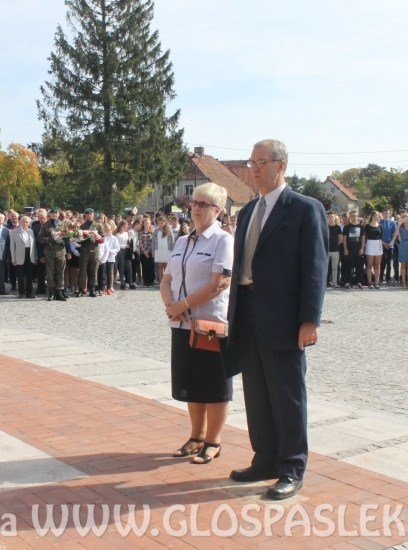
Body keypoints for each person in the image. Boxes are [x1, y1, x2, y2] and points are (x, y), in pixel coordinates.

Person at [227, 139, 328, 501]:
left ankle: (291, 467)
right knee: (256, 392)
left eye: (261, 162)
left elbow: (315, 268)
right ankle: (265, 458)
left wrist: (310, 320)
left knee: (287, 394)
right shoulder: (249, 210)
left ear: (281, 165)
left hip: (284, 317)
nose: (254, 169)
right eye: (251, 162)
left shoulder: (304, 208)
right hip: (248, 311)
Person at [160, 182, 233, 466]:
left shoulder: (223, 240)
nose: (197, 209)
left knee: (214, 383)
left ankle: (214, 441)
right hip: (181, 325)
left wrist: (183, 305)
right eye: (194, 203)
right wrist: (170, 305)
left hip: (209, 325)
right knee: (191, 382)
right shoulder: (182, 241)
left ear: (219, 210)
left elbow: (220, 283)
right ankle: (196, 437)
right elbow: (167, 279)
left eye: (204, 204)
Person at [37, 207, 69, 302]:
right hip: (50, 252)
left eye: (56, 213)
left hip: (60, 251)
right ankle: (51, 292)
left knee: (60, 272)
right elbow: (39, 238)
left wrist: (66, 238)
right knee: (50, 273)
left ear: (58, 214)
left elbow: (67, 237)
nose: (54, 215)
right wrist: (48, 240)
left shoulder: (63, 224)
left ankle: (59, 292)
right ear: (49, 214)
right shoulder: (46, 225)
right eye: (52, 213)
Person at [9, 215, 37, 298]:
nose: (25, 223)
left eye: (27, 222)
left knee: (30, 275)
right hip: (19, 255)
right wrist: (13, 259)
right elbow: (12, 247)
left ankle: (30, 292)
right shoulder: (14, 232)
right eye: (23, 222)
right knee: (20, 275)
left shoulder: (31, 231)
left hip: (30, 254)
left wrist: (35, 257)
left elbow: (34, 245)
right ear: (20, 222)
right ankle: (21, 292)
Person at [76, 208, 102, 297]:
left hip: (94, 250)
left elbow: (102, 238)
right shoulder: (82, 226)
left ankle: (92, 289)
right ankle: (80, 289)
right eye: (88, 214)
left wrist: (97, 238)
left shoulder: (98, 225)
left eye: (91, 214)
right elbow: (78, 240)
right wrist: (83, 238)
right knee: (82, 270)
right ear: (85, 215)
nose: (90, 215)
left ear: (93, 215)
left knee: (93, 270)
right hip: (84, 250)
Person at [393, 215, 408, 289]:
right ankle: (404, 282)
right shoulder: (401, 227)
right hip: (403, 244)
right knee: (403, 265)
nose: (406, 219)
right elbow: (395, 234)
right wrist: (399, 225)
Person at [362, 211, 383, 289]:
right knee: (369, 264)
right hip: (370, 244)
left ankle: (376, 282)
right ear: (373, 216)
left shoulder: (380, 226)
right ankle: (370, 282)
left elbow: (381, 236)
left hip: (378, 244)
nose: (378, 217)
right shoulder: (367, 226)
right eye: (377, 215)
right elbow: (364, 237)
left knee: (377, 265)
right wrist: (363, 246)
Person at [341, 211, 363, 289]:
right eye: (353, 216)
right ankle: (347, 282)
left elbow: (363, 238)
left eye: (356, 216)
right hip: (349, 249)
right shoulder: (347, 227)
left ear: (358, 216)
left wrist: (362, 248)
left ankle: (358, 282)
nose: (354, 217)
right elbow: (344, 238)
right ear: (350, 217)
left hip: (358, 249)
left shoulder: (361, 227)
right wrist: (345, 249)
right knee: (348, 266)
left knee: (358, 267)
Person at [153, 216, 175, 285]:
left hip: (167, 250)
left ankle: (167, 283)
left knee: (166, 267)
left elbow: (172, 241)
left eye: (162, 223)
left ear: (165, 223)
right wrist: (153, 251)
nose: (160, 224)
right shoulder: (156, 230)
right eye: (159, 223)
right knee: (159, 267)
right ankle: (161, 283)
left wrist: (172, 251)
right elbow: (153, 241)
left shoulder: (169, 230)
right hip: (158, 250)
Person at [31, 209, 48, 295]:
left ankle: (51, 288)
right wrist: (40, 256)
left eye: (44, 218)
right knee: (40, 272)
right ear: (38, 218)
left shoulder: (50, 227)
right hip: (39, 253)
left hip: (50, 253)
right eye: (40, 218)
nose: (42, 220)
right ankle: (41, 287)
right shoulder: (34, 228)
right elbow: (36, 243)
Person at [380, 209, 397, 284]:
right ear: (382, 214)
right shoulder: (380, 223)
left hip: (390, 245)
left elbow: (395, 233)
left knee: (389, 263)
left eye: (388, 213)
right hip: (382, 245)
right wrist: (383, 243)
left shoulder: (392, 223)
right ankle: (380, 277)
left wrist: (392, 241)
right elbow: (378, 234)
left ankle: (388, 278)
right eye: (385, 213)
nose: (386, 215)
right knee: (382, 262)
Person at [138, 218, 155, 287]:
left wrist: (148, 251)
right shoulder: (140, 233)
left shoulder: (152, 232)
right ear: (143, 224)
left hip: (150, 252)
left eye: (148, 223)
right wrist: (144, 251)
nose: (147, 225)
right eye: (145, 223)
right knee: (144, 267)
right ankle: (145, 282)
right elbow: (140, 242)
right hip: (143, 253)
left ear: (150, 224)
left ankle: (150, 282)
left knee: (150, 267)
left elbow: (152, 243)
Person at [326, 213, 341, 288]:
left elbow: (340, 238)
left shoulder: (337, 227)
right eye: (329, 217)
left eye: (332, 217)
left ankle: (334, 282)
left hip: (335, 250)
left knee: (335, 267)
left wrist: (337, 245)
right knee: (325, 267)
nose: (331, 218)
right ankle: (325, 282)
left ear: (334, 218)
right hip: (326, 249)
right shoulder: (325, 226)